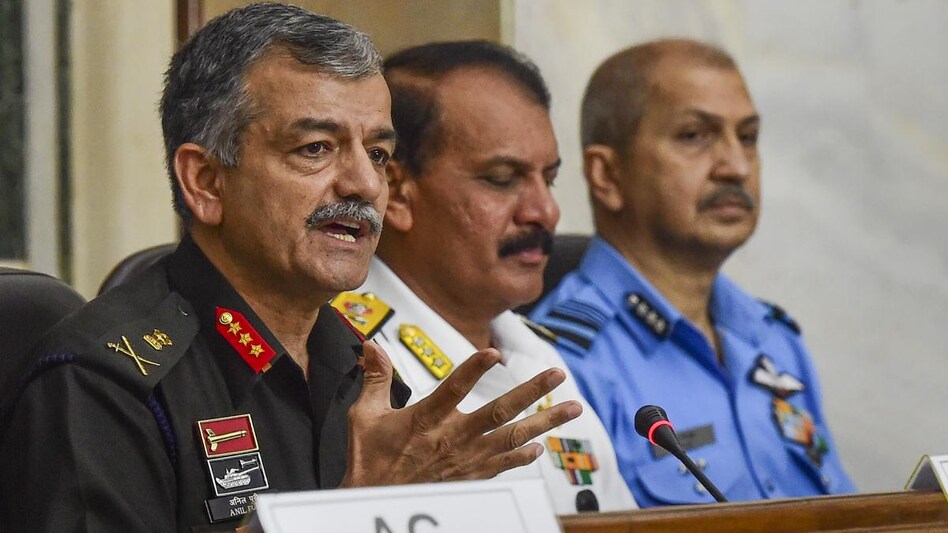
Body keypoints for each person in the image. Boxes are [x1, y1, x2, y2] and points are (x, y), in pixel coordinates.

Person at [0, 5, 582, 531]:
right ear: (206, 181)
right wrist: (360, 511)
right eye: (315, 149)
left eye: (378, 153)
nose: (364, 184)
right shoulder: (104, 384)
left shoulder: (366, 370)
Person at [530, 39, 856, 507]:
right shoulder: (561, 365)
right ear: (607, 175)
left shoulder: (774, 340)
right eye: (693, 136)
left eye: (748, 137)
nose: (736, 167)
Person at [331, 41, 636, 515]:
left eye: (549, 179)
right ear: (398, 193)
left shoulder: (537, 352)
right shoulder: (347, 358)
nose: (545, 212)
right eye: (502, 179)